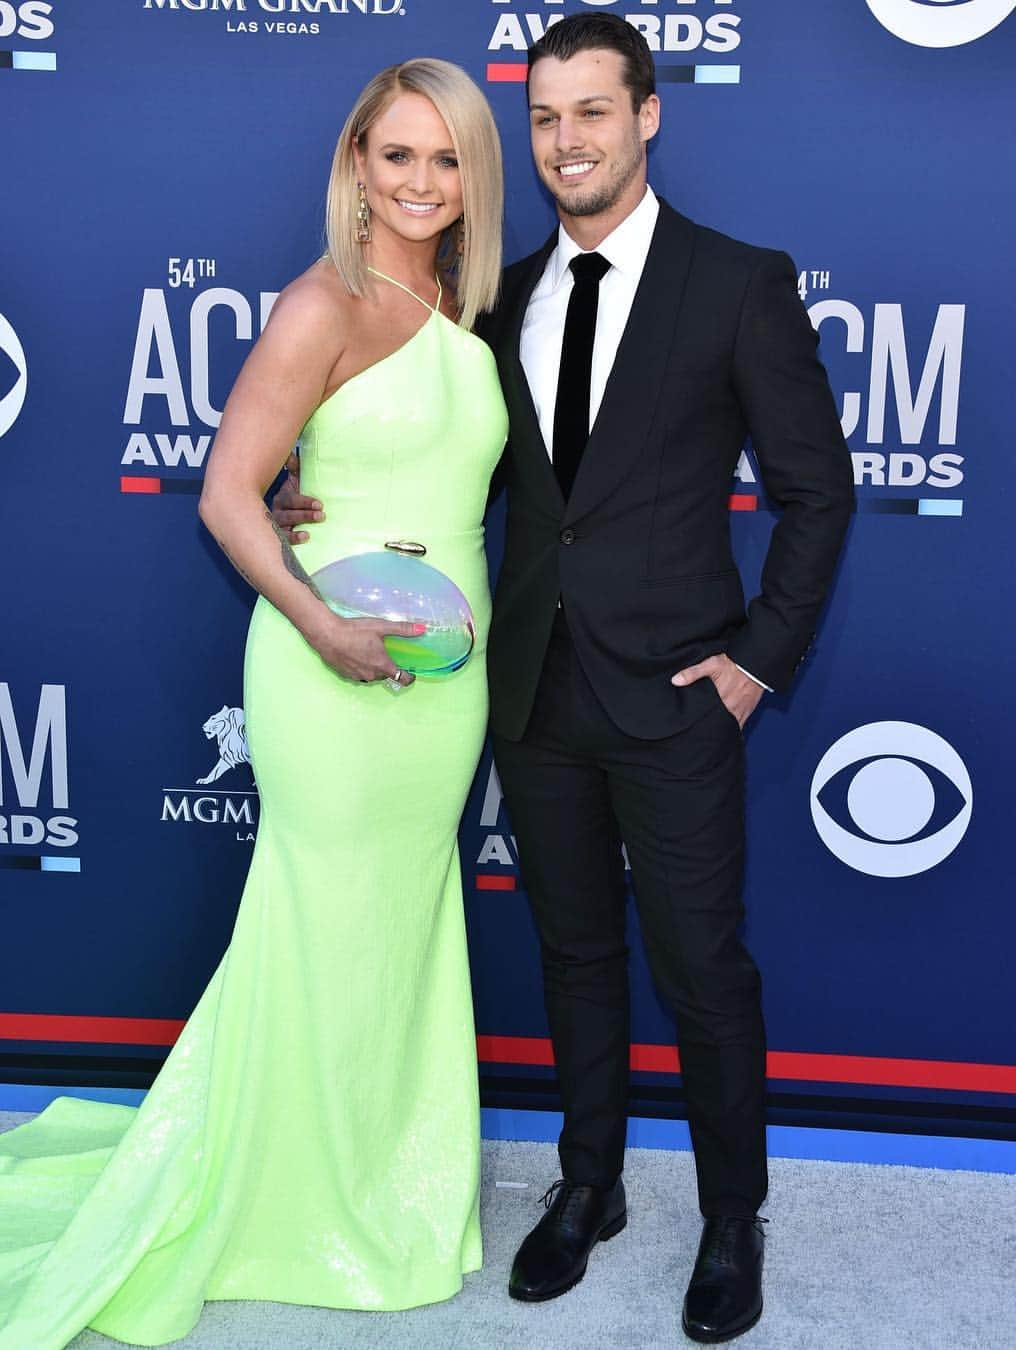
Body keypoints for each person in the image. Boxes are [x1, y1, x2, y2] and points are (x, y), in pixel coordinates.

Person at [275, 14, 854, 1344]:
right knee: (575, 952)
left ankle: (728, 1219)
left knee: (703, 966)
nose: (565, 141)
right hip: (532, 690)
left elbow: (818, 494)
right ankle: (588, 1182)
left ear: (648, 117)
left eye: (592, 113)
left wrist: (759, 663)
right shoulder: (496, 295)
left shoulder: (737, 281)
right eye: (543, 119)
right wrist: (317, 497)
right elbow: (409, 435)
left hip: (680, 691)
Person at [0, 59, 507, 1347]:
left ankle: (375, 1181)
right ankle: (293, 1194)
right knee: (321, 917)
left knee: (402, 926)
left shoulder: (458, 305)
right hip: (331, 675)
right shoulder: (328, 302)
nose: (420, 183)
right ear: (356, 161)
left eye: (448, 159)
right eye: (396, 154)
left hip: (436, 689)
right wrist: (321, 625)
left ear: (474, 175)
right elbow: (225, 494)